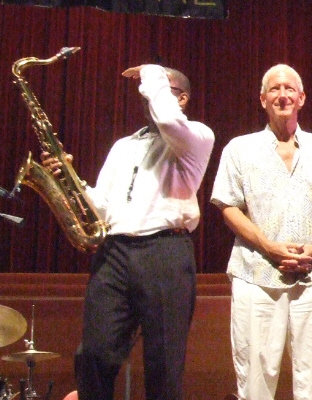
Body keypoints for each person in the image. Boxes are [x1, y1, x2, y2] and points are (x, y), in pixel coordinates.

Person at [42, 64, 215, 399]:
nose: (147, 95)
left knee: (163, 362)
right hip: (115, 252)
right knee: (93, 353)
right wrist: (68, 176)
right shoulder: (124, 145)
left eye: (161, 88)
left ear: (182, 98)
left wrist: (153, 71)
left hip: (165, 252)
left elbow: (167, 119)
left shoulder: (196, 135)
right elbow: (102, 207)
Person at [210, 64, 312, 399]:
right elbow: (227, 206)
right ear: (262, 99)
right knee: (254, 383)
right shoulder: (238, 149)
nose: (282, 94)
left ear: (301, 98)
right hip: (255, 274)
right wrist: (269, 246)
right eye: (274, 89)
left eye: (289, 89)